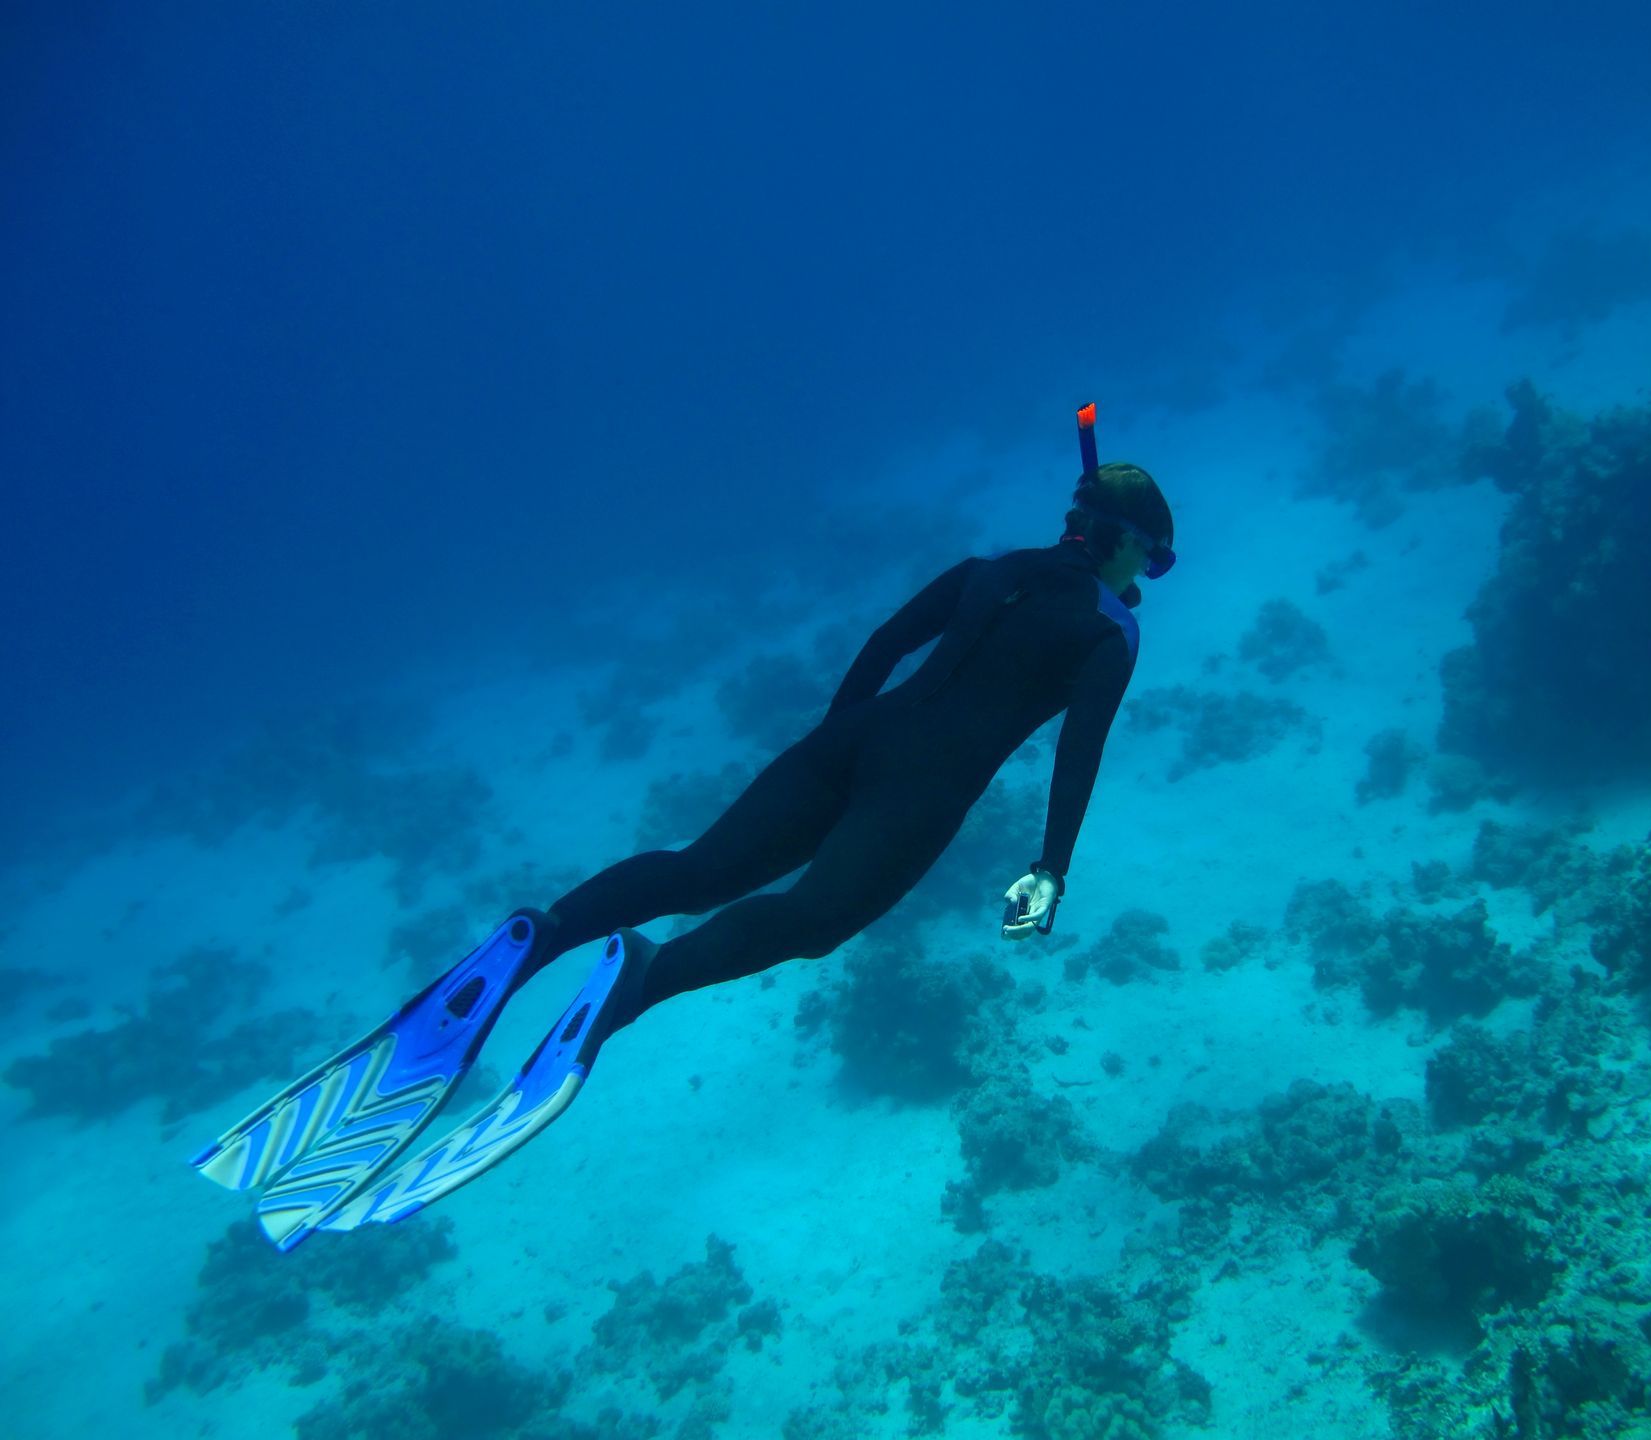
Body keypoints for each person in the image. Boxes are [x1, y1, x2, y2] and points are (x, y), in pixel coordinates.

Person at [193, 420, 1175, 1250]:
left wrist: (834, 752)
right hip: (923, 789)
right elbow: (1077, 748)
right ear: (1124, 543)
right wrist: (1050, 866)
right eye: (1156, 560)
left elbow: (880, 649)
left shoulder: (985, 568)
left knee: (698, 868)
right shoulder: (1110, 635)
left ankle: (549, 928)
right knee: (808, 921)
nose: (1151, 579)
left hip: (848, 740)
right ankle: (636, 981)